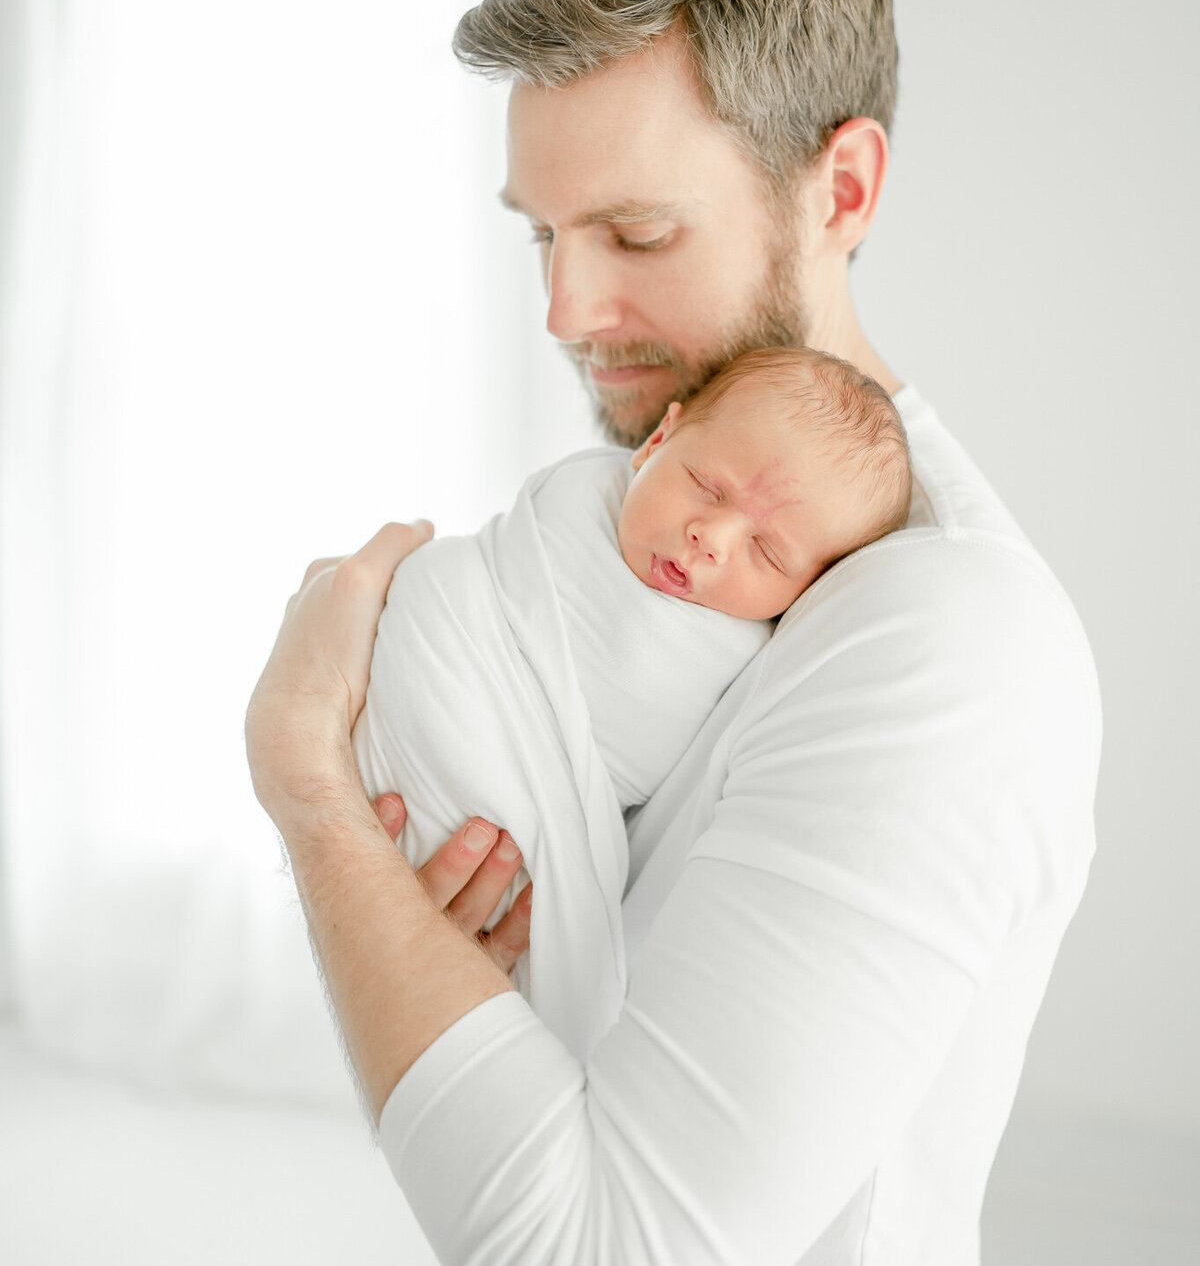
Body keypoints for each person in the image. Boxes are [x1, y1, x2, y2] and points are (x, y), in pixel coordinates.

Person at [245, 0, 1101, 1266]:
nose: (569, 310)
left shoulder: (949, 644)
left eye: (636, 235)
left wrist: (310, 792)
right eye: (542, 236)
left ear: (840, 190)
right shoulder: (650, 564)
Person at [352, 343, 912, 952]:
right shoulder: (578, 495)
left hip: (462, 856)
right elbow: (456, 583)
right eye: (704, 485)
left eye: (767, 552)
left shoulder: (740, 663)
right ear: (657, 441)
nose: (712, 539)